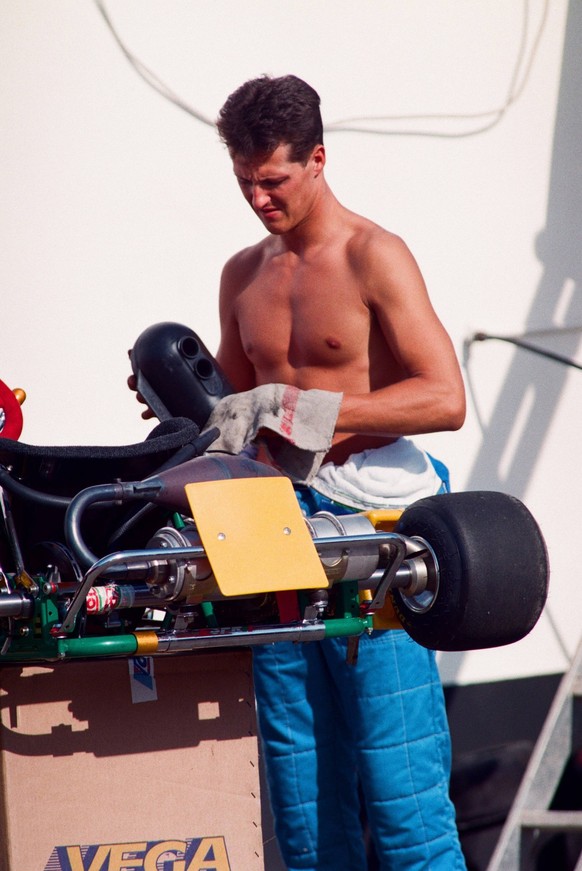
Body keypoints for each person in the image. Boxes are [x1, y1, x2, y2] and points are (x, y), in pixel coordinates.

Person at [212, 75, 467, 871]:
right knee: (301, 790)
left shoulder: (373, 255)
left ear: (318, 159)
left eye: (274, 179)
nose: (258, 197)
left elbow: (445, 397)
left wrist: (325, 413)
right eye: (245, 180)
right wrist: (178, 405)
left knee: (402, 795)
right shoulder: (241, 275)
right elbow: (226, 409)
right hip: (270, 523)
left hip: (375, 524)